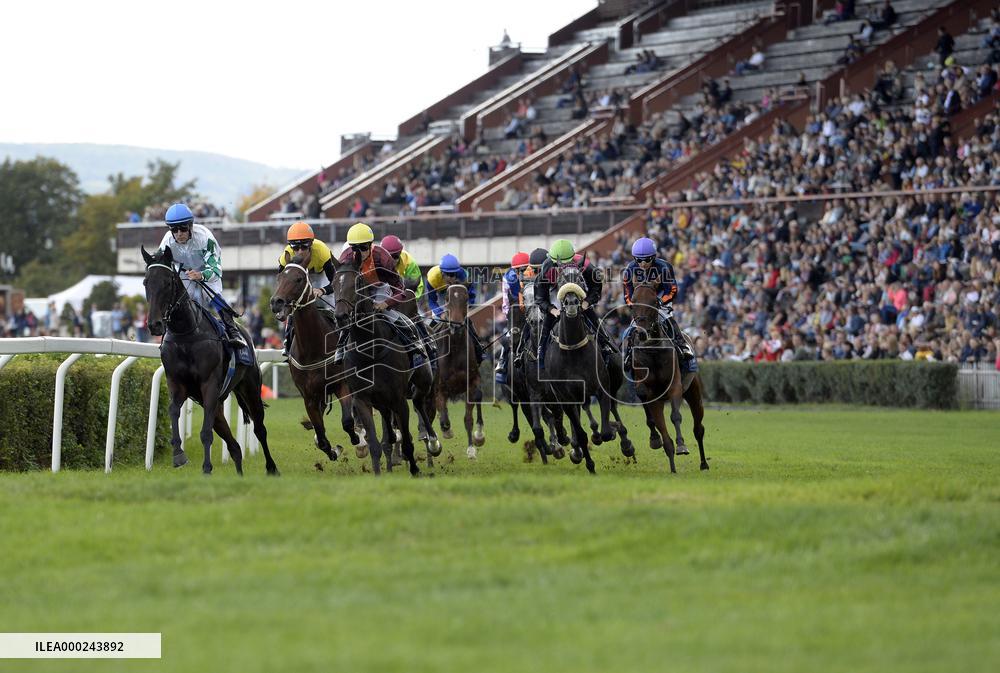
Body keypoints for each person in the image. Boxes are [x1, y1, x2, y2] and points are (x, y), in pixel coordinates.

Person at [337, 223, 426, 366]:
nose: (359, 253)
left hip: (380, 288)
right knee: (345, 313)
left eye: (363, 248)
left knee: (386, 313)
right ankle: (340, 346)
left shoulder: (383, 257)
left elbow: (400, 290)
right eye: (355, 248)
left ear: (371, 245)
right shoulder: (346, 257)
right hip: (359, 290)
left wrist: (386, 303)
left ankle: (413, 345)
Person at [156, 202, 245, 346]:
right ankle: (167, 330)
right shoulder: (167, 241)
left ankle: (233, 331)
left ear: (190, 226)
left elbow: (215, 270)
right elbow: (160, 265)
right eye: (174, 229)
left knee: (213, 296)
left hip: (206, 270)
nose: (179, 233)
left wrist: (201, 275)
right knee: (178, 297)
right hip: (184, 271)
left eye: (183, 228)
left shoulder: (205, 237)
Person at [621, 237, 697, 374]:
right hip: (641, 302)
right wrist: (634, 305)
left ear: (654, 257)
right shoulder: (629, 270)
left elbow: (672, 289)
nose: (643, 263)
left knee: (667, 317)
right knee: (633, 326)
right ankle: (628, 353)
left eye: (647, 260)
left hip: (661, 297)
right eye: (639, 260)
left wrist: (661, 301)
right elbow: (627, 293)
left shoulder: (664, 267)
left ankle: (683, 346)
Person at [534, 239, 610, 370]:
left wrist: (587, 302)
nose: (564, 267)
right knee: (548, 320)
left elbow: (596, 287)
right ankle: (541, 352)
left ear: (573, 258)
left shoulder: (586, 266)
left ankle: (605, 344)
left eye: (568, 263)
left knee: (591, 315)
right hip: (556, 293)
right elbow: (540, 298)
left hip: (579, 292)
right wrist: (552, 310)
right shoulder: (546, 269)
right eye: (560, 264)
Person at [276, 221, 338, 356]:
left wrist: (322, 290)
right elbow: (281, 282)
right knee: (293, 307)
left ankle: (343, 341)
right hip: (298, 278)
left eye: (304, 246)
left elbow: (336, 281)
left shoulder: (322, 251)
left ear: (311, 244)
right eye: (295, 247)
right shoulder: (285, 256)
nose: (300, 252)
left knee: (333, 306)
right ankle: (287, 341)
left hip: (320, 277)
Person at [380, 234, 436, 363]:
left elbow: (417, 286)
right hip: (386, 296)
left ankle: (427, 343)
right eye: (390, 256)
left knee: (414, 316)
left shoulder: (409, 263)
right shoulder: (377, 260)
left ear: (400, 253)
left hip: (406, 295)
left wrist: (407, 301)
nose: (393, 260)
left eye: (396, 256)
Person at [426, 254, 485, 363]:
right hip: (441, 297)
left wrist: (464, 308)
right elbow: (431, 301)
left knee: (467, 322)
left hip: (457, 299)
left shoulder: (463, 275)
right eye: (448, 275)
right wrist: (440, 314)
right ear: (442, 273)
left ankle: (478, 348)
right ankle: (428, 352)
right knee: (431, 326)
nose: (451, 278)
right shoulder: (432, 277)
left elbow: (472, 295)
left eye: (453, 275)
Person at [495, 251, 530, 385]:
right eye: (517, 270)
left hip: (531, 310)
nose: (520, 273)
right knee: (508, 336)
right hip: (515, 312)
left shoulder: (534, 275)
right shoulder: (507, 278)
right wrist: (510, 318)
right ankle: (502, 362)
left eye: (523, 269)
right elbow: (505, 304)